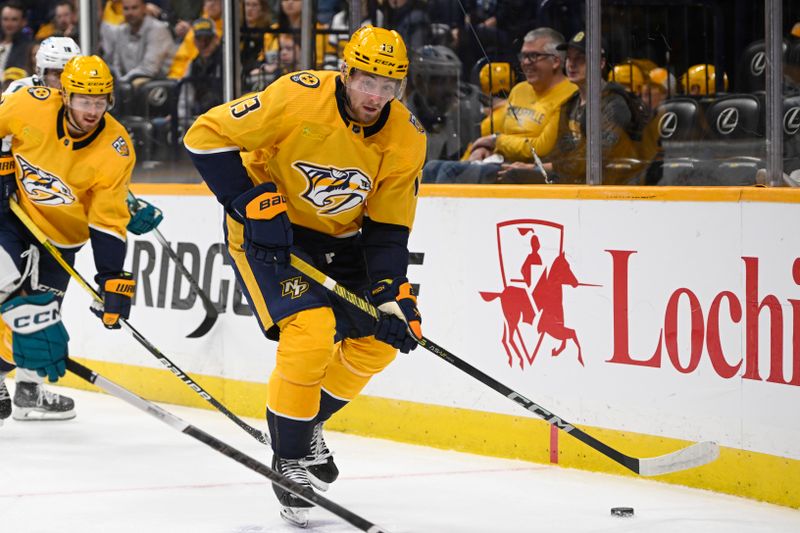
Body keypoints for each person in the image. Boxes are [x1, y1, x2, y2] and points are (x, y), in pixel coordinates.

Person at [184, 25, 425, 527]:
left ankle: (305, 422)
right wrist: (249, 201)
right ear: (346, 72)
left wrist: (388, 293)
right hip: (269, 237)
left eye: (389, 86)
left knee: (381, 339)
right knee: (311, 333)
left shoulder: (406, 135)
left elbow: (387, 228)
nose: (376, 97)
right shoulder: (296, 97)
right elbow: (204, 136)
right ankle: (288, 460)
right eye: (367, 82)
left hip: (339, 242)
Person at [0, 56, 136, 425]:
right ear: (65, 96)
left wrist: (111, 276)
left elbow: (107, 219)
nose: (93, 110)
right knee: (5, 286)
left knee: (35, 330)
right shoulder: (28, 103)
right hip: (13, 219)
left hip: (61, 241)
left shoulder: (116, 147)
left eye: (100, 101)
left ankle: (17, 383)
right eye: (84, 101)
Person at [423, 27, 577, 183]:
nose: (525, 63)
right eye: (523, 56)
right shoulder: (520, 90)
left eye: (533, 56)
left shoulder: (570, 94)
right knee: (431, 168)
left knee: (448, 172)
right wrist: (481, 147)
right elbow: (496, 130)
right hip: (500, 162)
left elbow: (543, 146)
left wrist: (496, 142)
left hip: (530, 171)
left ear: (556, 61)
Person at [405, 44, 481, 162]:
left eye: (453, 80)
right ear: (419, 82)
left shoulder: (468, 107)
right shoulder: (403, 119)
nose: (449, 88)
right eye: (440, 81)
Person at [101, 0, 173, 86]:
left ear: (144, 8)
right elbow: (116, 65)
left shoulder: (158, 30)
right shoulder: (121, 31)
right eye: (126, 9)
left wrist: (122, 83)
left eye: (134, 8)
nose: (130, 13)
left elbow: (149, 69)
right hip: (128, 86)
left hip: (158, 87)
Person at [0, 1, 34, 75]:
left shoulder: (28, 48)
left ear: (23, 22)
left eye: (14, 19)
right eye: (5, 19)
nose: (9, 24)